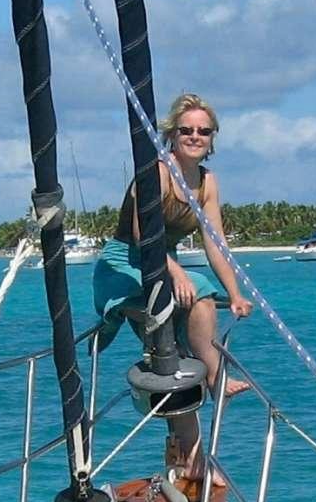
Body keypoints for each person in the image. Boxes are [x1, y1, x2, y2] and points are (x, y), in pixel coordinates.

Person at [93, 92, 252, 477]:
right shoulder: (157, 173)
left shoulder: (207, 183)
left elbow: (215, 243)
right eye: (186, 130)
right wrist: (176, 274)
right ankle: (217, 378)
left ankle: (193, 464)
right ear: (172, 134)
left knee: (180, 359)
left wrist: (234, 293)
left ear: (212, 138)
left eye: (204, 131)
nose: (195, 136)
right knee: (198, 295)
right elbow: (142, 233)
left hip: (163, 266)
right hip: (125, 264)